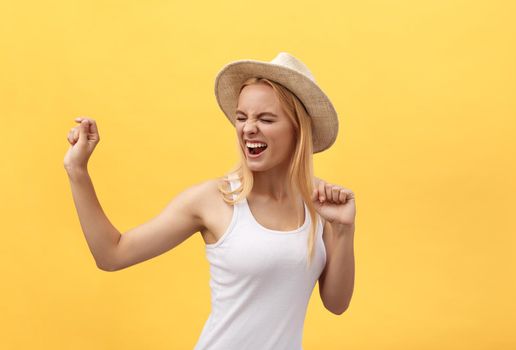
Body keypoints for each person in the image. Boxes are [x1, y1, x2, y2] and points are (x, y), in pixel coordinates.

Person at [63, 52, 357, 350]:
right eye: (242, 118)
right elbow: (111, 255)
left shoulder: (320, 205)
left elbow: (336, 303)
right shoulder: (214, 200)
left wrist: (344, 230)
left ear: (298, 130)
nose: (248, 129)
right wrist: (77, 171)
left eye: (266, 119)